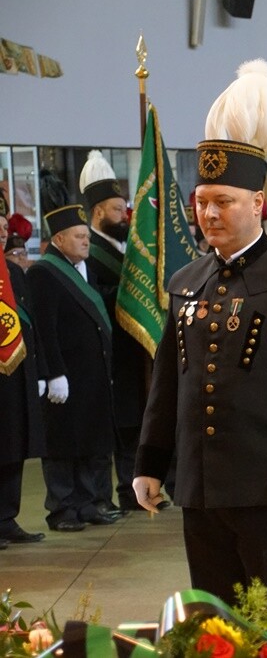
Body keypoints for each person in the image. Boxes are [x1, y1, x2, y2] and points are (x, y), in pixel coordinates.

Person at [132, 60, 267, 645]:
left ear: (257, 202)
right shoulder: (186, 280)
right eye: (201, 201)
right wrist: (151, 461)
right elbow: (168, 382)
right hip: (203, 493)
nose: (208, 214)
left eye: (222, 201)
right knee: (217, 632)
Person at [27, 177, 117, 532]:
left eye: (87, 236)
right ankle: (62, 508)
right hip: (64, 375)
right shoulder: (43, 274)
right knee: (63, 444)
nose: (86, 241)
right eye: (80, 237)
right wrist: (52, 373)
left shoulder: (86, 270)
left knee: (88, 440)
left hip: (92, 375)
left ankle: (88, 502)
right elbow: (44, 328)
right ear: (59, 240)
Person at [79, 150, 144, 515]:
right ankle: (109, 494)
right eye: (117, 210)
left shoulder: (125, 247)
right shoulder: (88, 250)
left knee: (136, 421)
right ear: (98, 211)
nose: (124, 216)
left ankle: (133, 489)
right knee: (114, 426)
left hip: (131, 349)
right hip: (106, 353)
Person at [0, 211, 46, 546]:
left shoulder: (14, 272)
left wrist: (41, 371)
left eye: (3, 229)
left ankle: (7, 518)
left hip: (14, 373)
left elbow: (30, 326)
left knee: (13, 445)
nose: (2, 234)